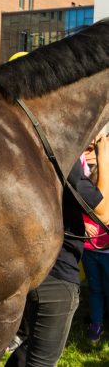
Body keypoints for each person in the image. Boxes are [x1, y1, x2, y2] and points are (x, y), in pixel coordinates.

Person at [6, 134, 109, 367]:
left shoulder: (27, 144)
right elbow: (104, 212)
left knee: (32, 344)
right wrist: (104, 158)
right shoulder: (63, 155)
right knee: (42, 359)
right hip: (56, 271)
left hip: (24, 264)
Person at [82, 126, 109, 343]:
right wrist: (83, 224)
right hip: (90, 251)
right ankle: (97, 322)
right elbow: (78, 208)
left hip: (107, 252)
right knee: (95, 289)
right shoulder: (88, 190)